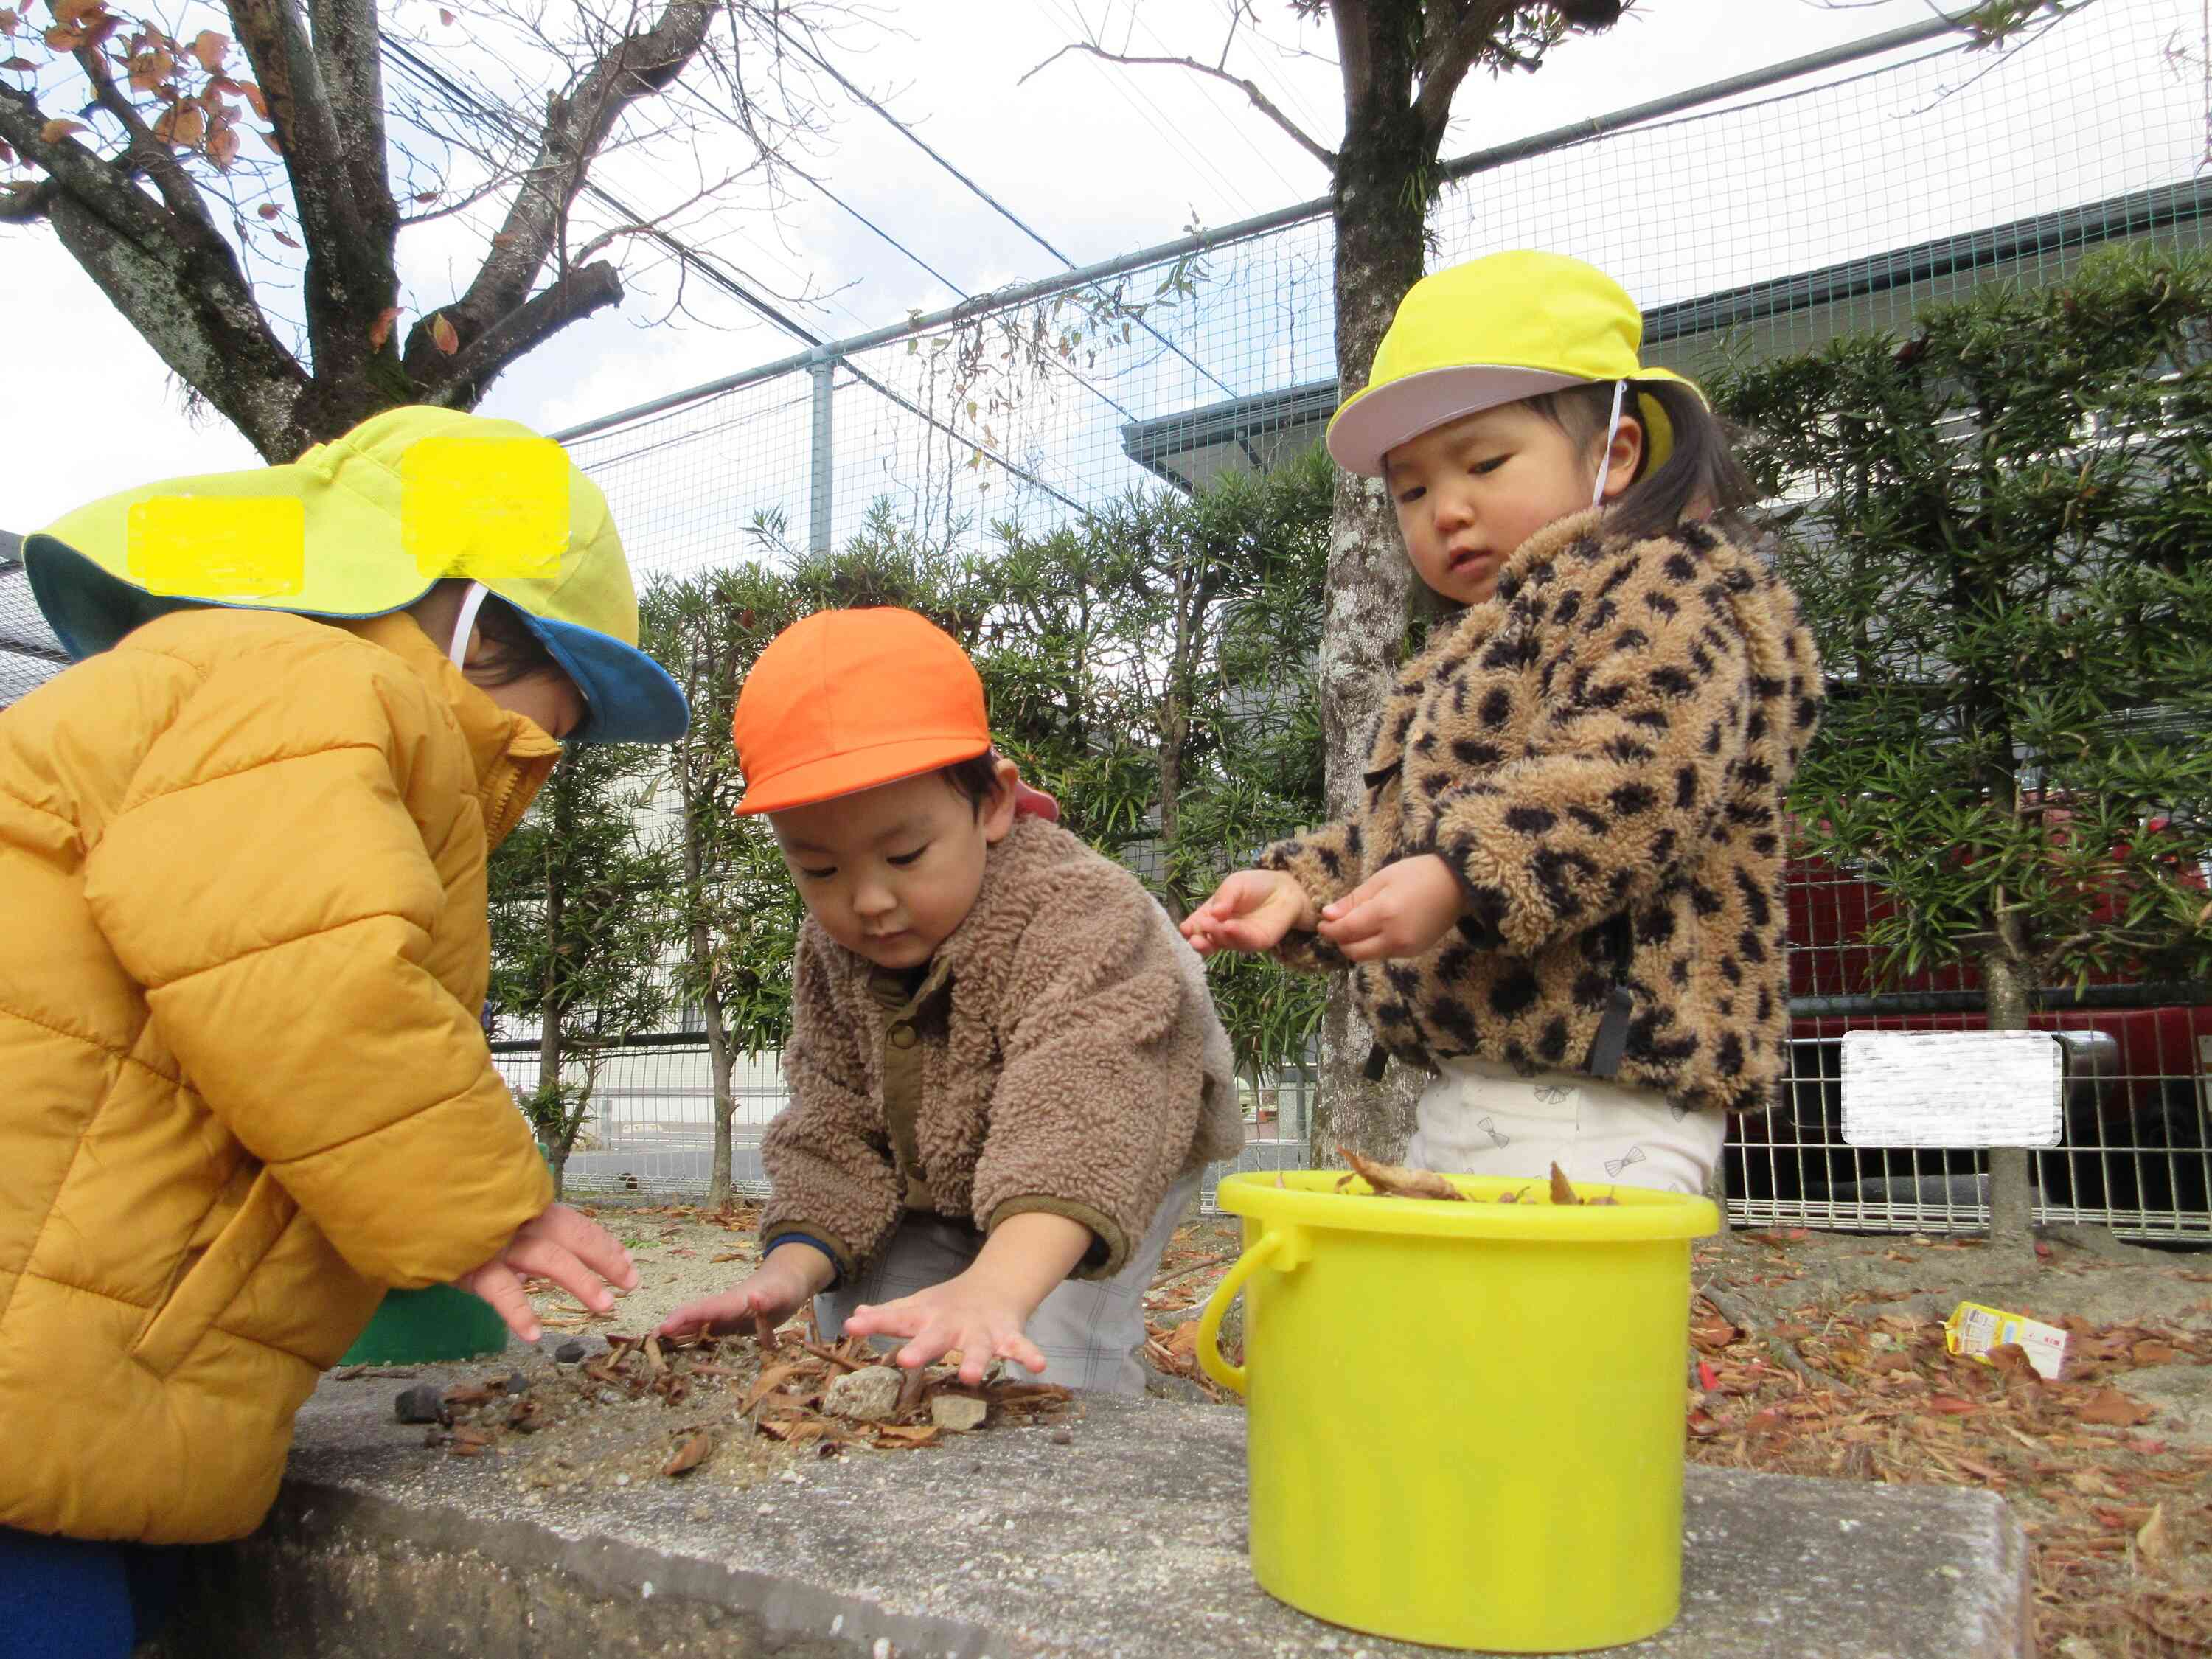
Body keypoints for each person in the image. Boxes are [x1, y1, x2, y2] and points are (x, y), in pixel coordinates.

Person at [0, 406, 689, 1655]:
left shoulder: (236, 683)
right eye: (567, 699)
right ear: (483, 624)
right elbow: (305, 975)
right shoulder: (305, 686)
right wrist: (487, 1201)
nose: (557, 746)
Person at [1183, 251, 1822, 1197]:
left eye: (1485, 462)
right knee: (1480, 1331)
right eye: (1410, 490)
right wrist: (1308, 892)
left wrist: (1457, 875)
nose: (1447, 509)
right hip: (1476, 1080)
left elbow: (1636, 778)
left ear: (1614, 454)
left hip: (1609, 1084)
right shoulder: (1473, 648)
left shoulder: (1662, 586)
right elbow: (1406, 843)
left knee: (1560, 1332)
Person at [659, 606, 1242, 1393]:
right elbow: (833, 1119)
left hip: (1113, 1135)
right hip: (939, 1153)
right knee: (878, 1338)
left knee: (1043, 1352)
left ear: (994, 804)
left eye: (904, 854)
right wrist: (788, 1274)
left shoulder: (1082, 914)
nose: (868, 901)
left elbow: (1084, 1109)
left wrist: (996, 1286)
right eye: (820, 870)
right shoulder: (833, 951)